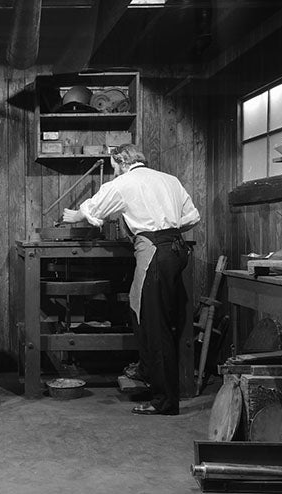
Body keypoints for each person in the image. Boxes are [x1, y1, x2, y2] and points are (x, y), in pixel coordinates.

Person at [62, 143, 200, 415]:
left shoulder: (125, 182)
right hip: (175, 250)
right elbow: (193, 217)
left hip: (153, 253)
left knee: (154, 325)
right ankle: (149, 373)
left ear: (121, 161)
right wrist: (165, 228)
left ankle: (165, 402)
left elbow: (95, 209)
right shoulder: (169, 180)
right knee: (147, 313)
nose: (114, 173)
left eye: (114, 167)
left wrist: (74, 215)